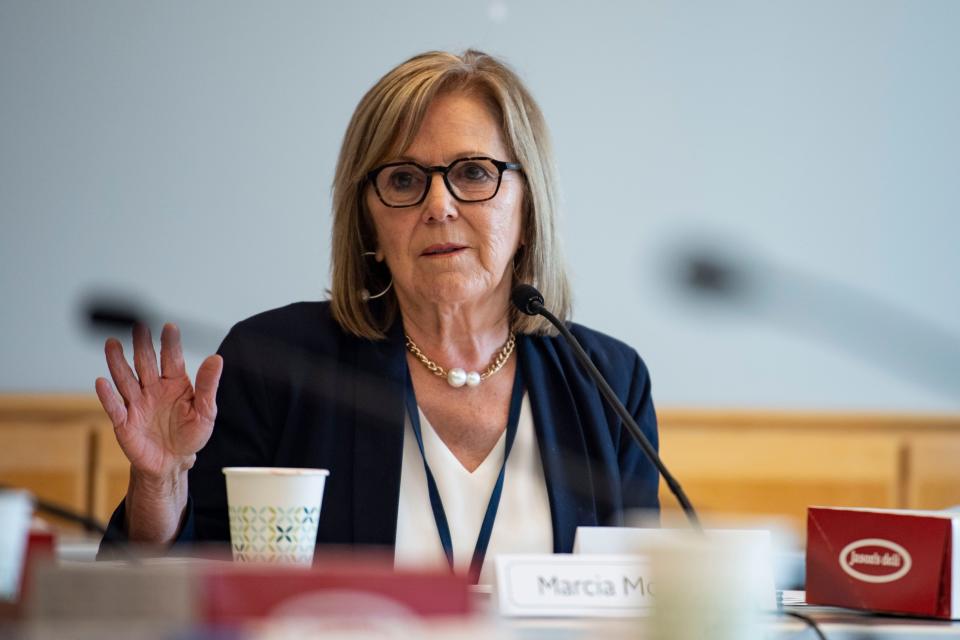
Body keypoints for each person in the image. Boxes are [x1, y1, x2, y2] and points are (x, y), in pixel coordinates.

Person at [95, 50, 660, 583]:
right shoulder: (277, 363)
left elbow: (637, 597)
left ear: (528, 203)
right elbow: (180, 597)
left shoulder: (607, 382)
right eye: (404, 180)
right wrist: (161, 483)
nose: (439, 205)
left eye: (473, 172)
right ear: (369, 225)